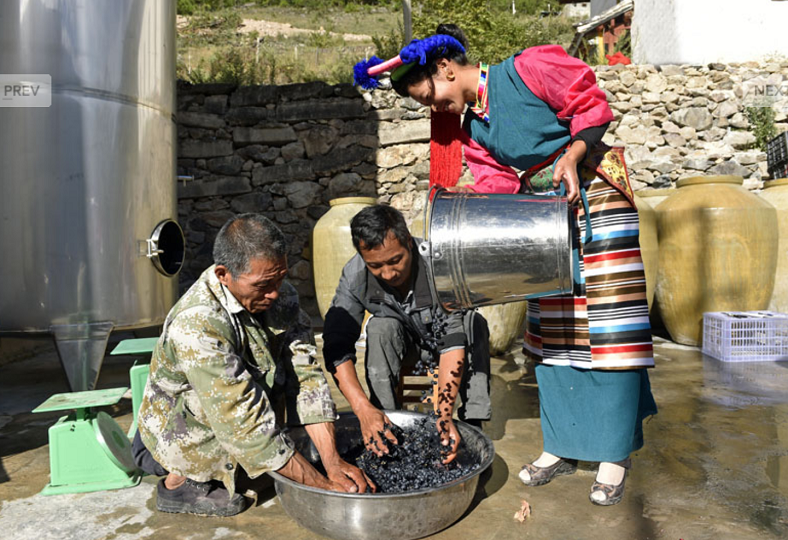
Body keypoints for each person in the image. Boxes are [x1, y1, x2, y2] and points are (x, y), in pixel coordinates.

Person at [354, 25, 657, 506]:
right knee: (556, 329)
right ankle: (564, 444)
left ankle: (613, 454)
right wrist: (468, 193)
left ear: (447, 68)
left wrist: (574, 154)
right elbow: (500, 183)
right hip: (545, 217)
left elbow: (592, 105)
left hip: (596, 194)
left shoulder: (529, 68)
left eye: (430, 96)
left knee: (607, 328)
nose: (434, 109)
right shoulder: (473, 126)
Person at [134, 214, 371, 517]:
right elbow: (243, 421)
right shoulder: (197, 324)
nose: (274, 292)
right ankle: (179, 481)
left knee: (280, 442)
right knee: (235, 436)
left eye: (280, 278)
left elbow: (306, 376)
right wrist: (324, 488)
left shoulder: (280, 296)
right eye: (263, 285)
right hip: (177, 427)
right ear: (223, 274)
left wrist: (331, 461)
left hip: (233, 409)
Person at [322, 204, 491, 465]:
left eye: (395, 260)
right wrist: (362, 409)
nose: (388, 273)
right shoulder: (355, 276)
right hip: (409, 347)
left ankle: (472, 423)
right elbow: (335, 344)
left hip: (448, 345)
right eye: (376, 265)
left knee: (474, 323)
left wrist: (444, 417)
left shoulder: (439, 265)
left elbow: (453, 339)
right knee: (379, 326)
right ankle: (387, 424)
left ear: (409, 243)